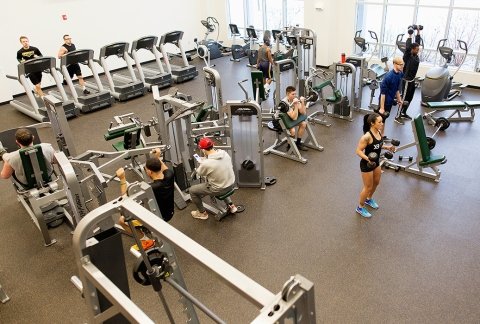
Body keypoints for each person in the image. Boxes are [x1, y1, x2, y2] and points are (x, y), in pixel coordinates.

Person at [115, 148, 175, 249]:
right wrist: (157, 157)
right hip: (170, 213)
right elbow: (162, 166)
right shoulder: (170, 175)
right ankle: (143, 226)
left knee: (122, 220)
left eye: (146, 169)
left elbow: (124, 200)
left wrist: (122, 178)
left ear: (150, 172)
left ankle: (146, 240)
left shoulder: (150, 188)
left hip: (158, 218)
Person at [355, 113, 396, 218]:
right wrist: (368, 159)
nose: (382, 124)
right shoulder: (366, 136)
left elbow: (379, 145)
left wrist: (388, 147)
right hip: (367, 164)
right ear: (372, 123)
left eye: (382, 121)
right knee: (368, 187)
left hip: (376, 162)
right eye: (379, 122)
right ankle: (360, 207)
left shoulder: (378, 132)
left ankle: (368, 200)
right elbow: (358, 151)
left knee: (376, 183)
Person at [190, 137, 238, 220]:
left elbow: (200, 173)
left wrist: (202, 163)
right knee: (221, 180)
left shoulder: (207, 164)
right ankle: (231, 205)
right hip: (231, 184)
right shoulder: (224, 153)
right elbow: (216, 162)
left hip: (219, 189)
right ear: (213, 145)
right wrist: (205, 161)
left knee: (192, 190)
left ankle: (202, 213)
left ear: (203, 150)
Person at [276, 85, 308, 151]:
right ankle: (289, 146)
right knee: (292, 130)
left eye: (295, 94)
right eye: (293, 94)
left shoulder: (294, 99)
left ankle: (298, 144)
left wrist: (302, 102)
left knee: (303, 124)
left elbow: (303, 112)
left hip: (289, 118)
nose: (295, 95)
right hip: (280, 121)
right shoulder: (285, 103)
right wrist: (296, 105)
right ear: (288, 94)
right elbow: (294, 118)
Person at [377, 56, 404, 129]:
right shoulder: (388, 77)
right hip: (385, 101)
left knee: (384, 120)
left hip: (390, 100)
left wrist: (399, 100)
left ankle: (382, 136)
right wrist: (382, 108)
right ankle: (378, 137)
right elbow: (383, 94)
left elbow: (397, 89)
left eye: (402, 64)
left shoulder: (399, 74)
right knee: (380, 121)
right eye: (400, 64)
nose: (402, 66)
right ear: (395, 64)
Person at [401, 42, 421, 120]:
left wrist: (418, 32)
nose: (418, 51)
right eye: (416, 50)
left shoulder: (416, 57)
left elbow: (416, 43)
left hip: (412, 80)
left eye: (418, 49)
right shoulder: (407, 56)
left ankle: (404, 112)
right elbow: (408, 47)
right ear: (412, 49)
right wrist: (410, 35)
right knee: (404, 98)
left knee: (410, 98)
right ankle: (398, 115)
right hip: (406, 80)